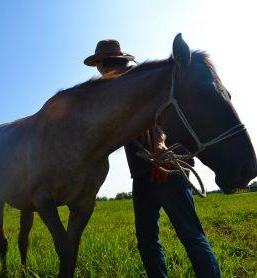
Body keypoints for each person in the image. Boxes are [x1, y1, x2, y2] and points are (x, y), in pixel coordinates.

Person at [84, 40, 221, 278]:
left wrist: (160, 148)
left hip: (165, 165)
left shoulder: (138, 82)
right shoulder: (117, 90)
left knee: (189, 234)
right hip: (142, 173)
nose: (99, 71)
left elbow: (159, 115)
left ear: (102, 63)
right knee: (148, 239)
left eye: (99, 65)